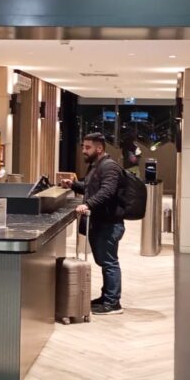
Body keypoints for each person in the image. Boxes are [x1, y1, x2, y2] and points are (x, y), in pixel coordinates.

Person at [61, 132, 125, 315]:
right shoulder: (97, 166)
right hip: (101, 222)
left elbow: (107, 192)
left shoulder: (109, 167)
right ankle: (106, 297)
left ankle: (113, 303)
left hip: (109, 223)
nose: (84, 150)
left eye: (88, 147)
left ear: (99, 148)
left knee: (109, 262)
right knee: (105, 261)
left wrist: (88, 204)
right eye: (83, 146)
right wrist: (73, 185)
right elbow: (91, 188)